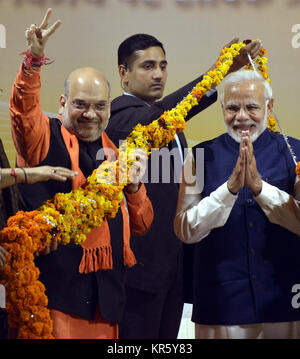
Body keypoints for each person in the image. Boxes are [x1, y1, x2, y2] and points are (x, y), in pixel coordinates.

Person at [105, 33, 262, 338]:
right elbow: (162, 115)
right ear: (123, 73)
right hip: (138, 272)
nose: (159, 74)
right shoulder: (122, 117)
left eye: (163, 66)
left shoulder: (167, 124)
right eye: (147, 66)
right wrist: (218, 74)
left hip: (172, 268)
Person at [9, 9, 153, 339]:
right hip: (53, 302)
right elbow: (22, 111)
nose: (91, 113)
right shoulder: (43, 137)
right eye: (80, 104)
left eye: (100, 105)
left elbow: (142, 224)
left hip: (107, 306)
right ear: (61, 104)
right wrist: (33, 60)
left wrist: (133, 187)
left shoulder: (118, 155)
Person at [174, 69, 300, 339]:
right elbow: (185, 229)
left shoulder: (294, 152)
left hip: (285, 301)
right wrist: (229, 189)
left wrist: (260, 189)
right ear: (221, 108)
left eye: (251, 107)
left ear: (269, 106)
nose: (241, 117)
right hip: (220, 304)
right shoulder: (197, 157)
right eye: (232, 108)